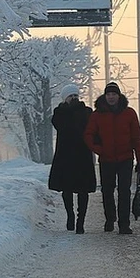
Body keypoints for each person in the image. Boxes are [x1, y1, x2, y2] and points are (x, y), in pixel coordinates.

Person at [83, 81, 140, 235]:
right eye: (109, 94)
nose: (111, 97)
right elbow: (88, 135)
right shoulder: (97, 115)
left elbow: (137, 137)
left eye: (114, 94)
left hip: (125, 158)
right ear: (105, 96)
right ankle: (110, 218)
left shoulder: (129, 113)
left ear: (119, 96)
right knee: (107, 191)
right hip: (106, 159)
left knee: (124, 191)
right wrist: (99, 150)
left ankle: (124, 224)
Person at [48, 83, 97, 234]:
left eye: (76, 95)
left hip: (83, 156)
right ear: (65, 99)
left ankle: (80, 220)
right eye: (71, 96)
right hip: (65, 156)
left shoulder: (87, 112)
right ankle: (70, 214)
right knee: (67, 189)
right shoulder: (59, 113)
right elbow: (61, 125)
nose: (74, 98)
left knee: (83, 191)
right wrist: (69, 111)